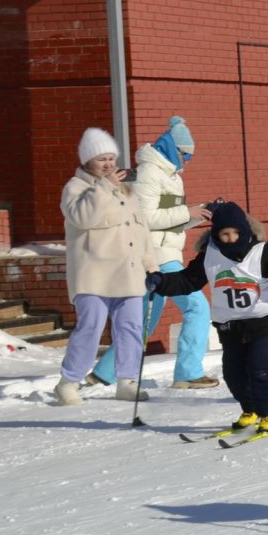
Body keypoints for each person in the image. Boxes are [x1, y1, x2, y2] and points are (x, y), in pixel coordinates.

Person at [148, 201, 268, 436]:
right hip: (230, 324)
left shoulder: (262, 252)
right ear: (215, 234)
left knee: (259, 366)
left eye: (235, 233)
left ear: (244, 231)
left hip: (264, 318)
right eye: (224, 234)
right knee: (233, 372)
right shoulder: (209, 256)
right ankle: (250, 410)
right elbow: (187, 280)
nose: (230, 239)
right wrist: (161, 282)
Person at [89, 116, 214, 390]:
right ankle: (188, 373)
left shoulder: (169, 175)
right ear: (172, 148)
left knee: (144, 319)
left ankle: (104, 374)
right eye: (185, 154)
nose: (187, 160)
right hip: (155, 256)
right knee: (197, 307)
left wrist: (199, 214)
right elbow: (145, 216)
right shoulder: (150, 172)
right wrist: (186, 211)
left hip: (162, 253)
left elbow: (167, 217)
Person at [54, 128, 156, 407]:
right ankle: (68, 382)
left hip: (130, 273)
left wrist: (152, 266)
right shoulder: (75, 188)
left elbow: (141, 230)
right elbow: (85, 217)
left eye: (111, 158)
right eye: (102, 159)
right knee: (90, 328)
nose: (109, 164)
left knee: (131, 328)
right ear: (87, 160)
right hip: (93, 275)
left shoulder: (126, 189)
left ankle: (127, 381)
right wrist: (104, 186)